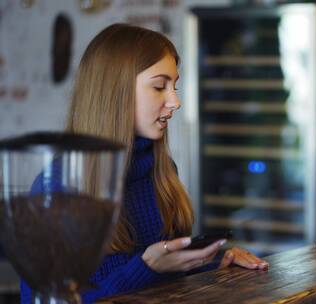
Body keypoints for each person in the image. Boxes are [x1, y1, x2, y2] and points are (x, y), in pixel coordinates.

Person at [20, 23, 268, 303]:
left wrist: (212, 265)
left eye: (174, 86)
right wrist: (145, 269)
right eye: (159, 86)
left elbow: (169, 284)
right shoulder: (54, 190)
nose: (175, 101)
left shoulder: (162, 172)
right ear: (115, 92)